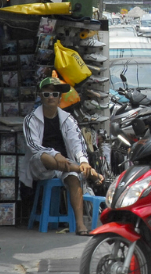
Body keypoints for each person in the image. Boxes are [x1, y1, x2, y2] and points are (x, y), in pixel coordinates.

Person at [20, 77, 103, 236]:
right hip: (41, 166)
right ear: (41, 96)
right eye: (47, 94)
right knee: (44, 156)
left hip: (65, 164)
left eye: (55, 94)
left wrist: (83, 161)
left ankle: (80, 224)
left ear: (59, 98)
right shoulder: (31, 119)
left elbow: (77, 143)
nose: (51, 97)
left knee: (73, 178)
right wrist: (56, 154)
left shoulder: (68, 119)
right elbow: (34, 146)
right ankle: (87, 171)